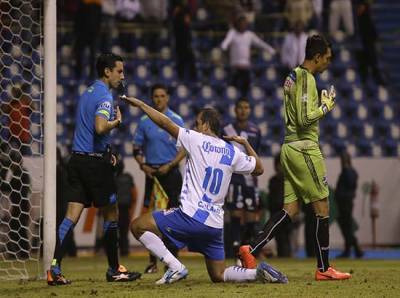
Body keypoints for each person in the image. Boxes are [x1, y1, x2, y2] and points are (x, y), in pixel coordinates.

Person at [122, 94, 288, 285]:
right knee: (218, 275)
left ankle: (174, 266)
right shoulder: (232, 151)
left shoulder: (196, 139)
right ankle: (255, 273)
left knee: (137, 226)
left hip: (190, 217)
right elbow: (259, 169)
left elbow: (165, 123)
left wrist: (142, 104)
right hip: (214, 226)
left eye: (197, 123)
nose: (195, 127)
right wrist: (246, 144)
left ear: (206, 126)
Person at [238, 35, 351, 281]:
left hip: (289, 147)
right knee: (322, 207)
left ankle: (252, 248)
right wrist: (325, 107)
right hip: (304, 148)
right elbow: (303, 119)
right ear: (317, 56)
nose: (328, 64)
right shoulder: (306, 78)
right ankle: (324, 269)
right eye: (327, 59)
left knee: (290, 208)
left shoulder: (292, 75)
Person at [46, 53, 141, 285]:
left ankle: (54, 269)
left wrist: (106, 151)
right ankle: (114, 269)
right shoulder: (105, 97)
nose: (122, 75)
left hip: (77, 160)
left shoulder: (88, 91)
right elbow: (99, 127)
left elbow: (89, 130)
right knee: (111, 212)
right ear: (107, 71)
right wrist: (117, 123)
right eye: (119, 71)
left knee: (71, 216)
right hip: (93, 165)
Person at [133, 83, 185, 273]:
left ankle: (173, 262)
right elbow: (136, 148)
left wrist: (170, 165)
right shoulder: (144, 121)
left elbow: (185, 149)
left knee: (173, 219)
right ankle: (153, 262)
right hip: (153, 175)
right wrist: (143, 165)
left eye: (162, 96)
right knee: (150, 219)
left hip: (171, 175)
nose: (159, 99)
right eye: (156, 96)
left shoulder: (176, 120)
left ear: (168, 98)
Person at [222, 98, 261, 259]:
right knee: (236, 215)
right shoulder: (226, 129)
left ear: (250, 110)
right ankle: (235, 249)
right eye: (240, 107)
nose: (243, 110)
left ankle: (249, 250)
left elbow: (256, 153)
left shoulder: (255, 130)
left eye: (246, 107)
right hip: (234, 179)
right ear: (235, 110)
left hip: (250, 179)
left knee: (252, 215)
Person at [221, 15, 276, 97]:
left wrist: (270, 49)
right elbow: (226, 42)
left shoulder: (249, 35)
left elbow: (260, 43)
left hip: (245, 67)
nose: (242, 25)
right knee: (232, 89)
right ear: (237, 24)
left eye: (244, 24)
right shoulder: (232, 33)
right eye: (241, 24)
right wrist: (224, 46)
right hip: (235, 66)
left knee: (245, 89)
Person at [335, 151, 363, 258]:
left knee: (346, 227)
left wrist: (341, 196)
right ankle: (353, 250)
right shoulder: (351, 172)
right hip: (346, 203)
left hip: (345, 204)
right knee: (346, 227)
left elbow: (348, 187)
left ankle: (354, 249)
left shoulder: (347, 172)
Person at [267, 153, 292, 258]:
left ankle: (286, 256)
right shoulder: (273, 180)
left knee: (286, 238)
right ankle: (283, 257)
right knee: (279, 238)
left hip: (287, 212)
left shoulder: (289, 180)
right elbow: (271, 199)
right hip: (275, 213)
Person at [114, 157, 138, 256]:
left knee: (116, 230)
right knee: (123, 231)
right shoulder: (128, 177)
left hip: (116, 207)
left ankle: (118, 251)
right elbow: (134, 193)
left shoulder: (113, 178)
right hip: (125, 207)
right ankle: (124, 251)